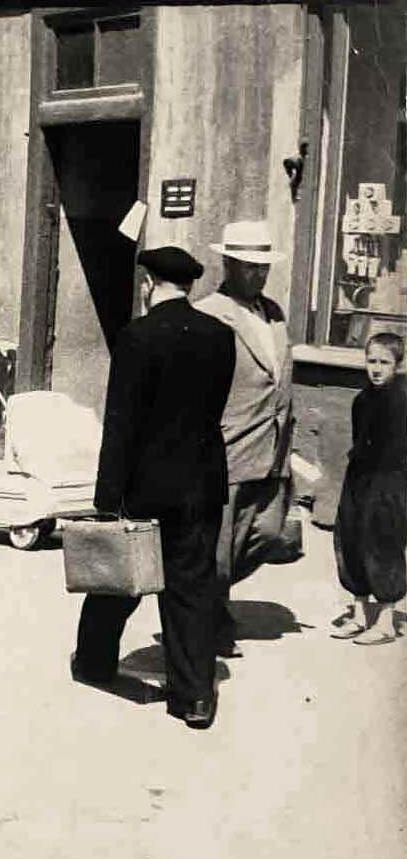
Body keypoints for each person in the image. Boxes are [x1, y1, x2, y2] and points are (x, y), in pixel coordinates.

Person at [72, 246, 235, 729]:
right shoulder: (220, 337)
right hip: (202, 484)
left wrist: (107, 498)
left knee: (116, 578)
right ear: (189, 287)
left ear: (148, 286)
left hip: (146, 486)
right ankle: (195, 698)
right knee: (192, 590)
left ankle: (95, 661)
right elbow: (214, 410)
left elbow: (121, 425)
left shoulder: (136, 338)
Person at [194, 221, 295, 659]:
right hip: (229, 447)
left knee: (270, 533)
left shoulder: (274, 312)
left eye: (264, 266)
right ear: (229, 263)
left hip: (273, 448)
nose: (259, 275)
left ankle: (209, 600)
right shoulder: (209, 312)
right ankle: (210, 614)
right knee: (219, 544)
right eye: (250, 266)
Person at [329, 331, 407, 645]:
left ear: (397, 364)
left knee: (382, 540)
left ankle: (386, 619)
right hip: (359, 476)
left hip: (390, 480)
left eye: (384, 362)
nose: (376, 368)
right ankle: (360, 613)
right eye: (371, 360)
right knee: (350, 537)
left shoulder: (403, 400)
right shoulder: (362, 400)